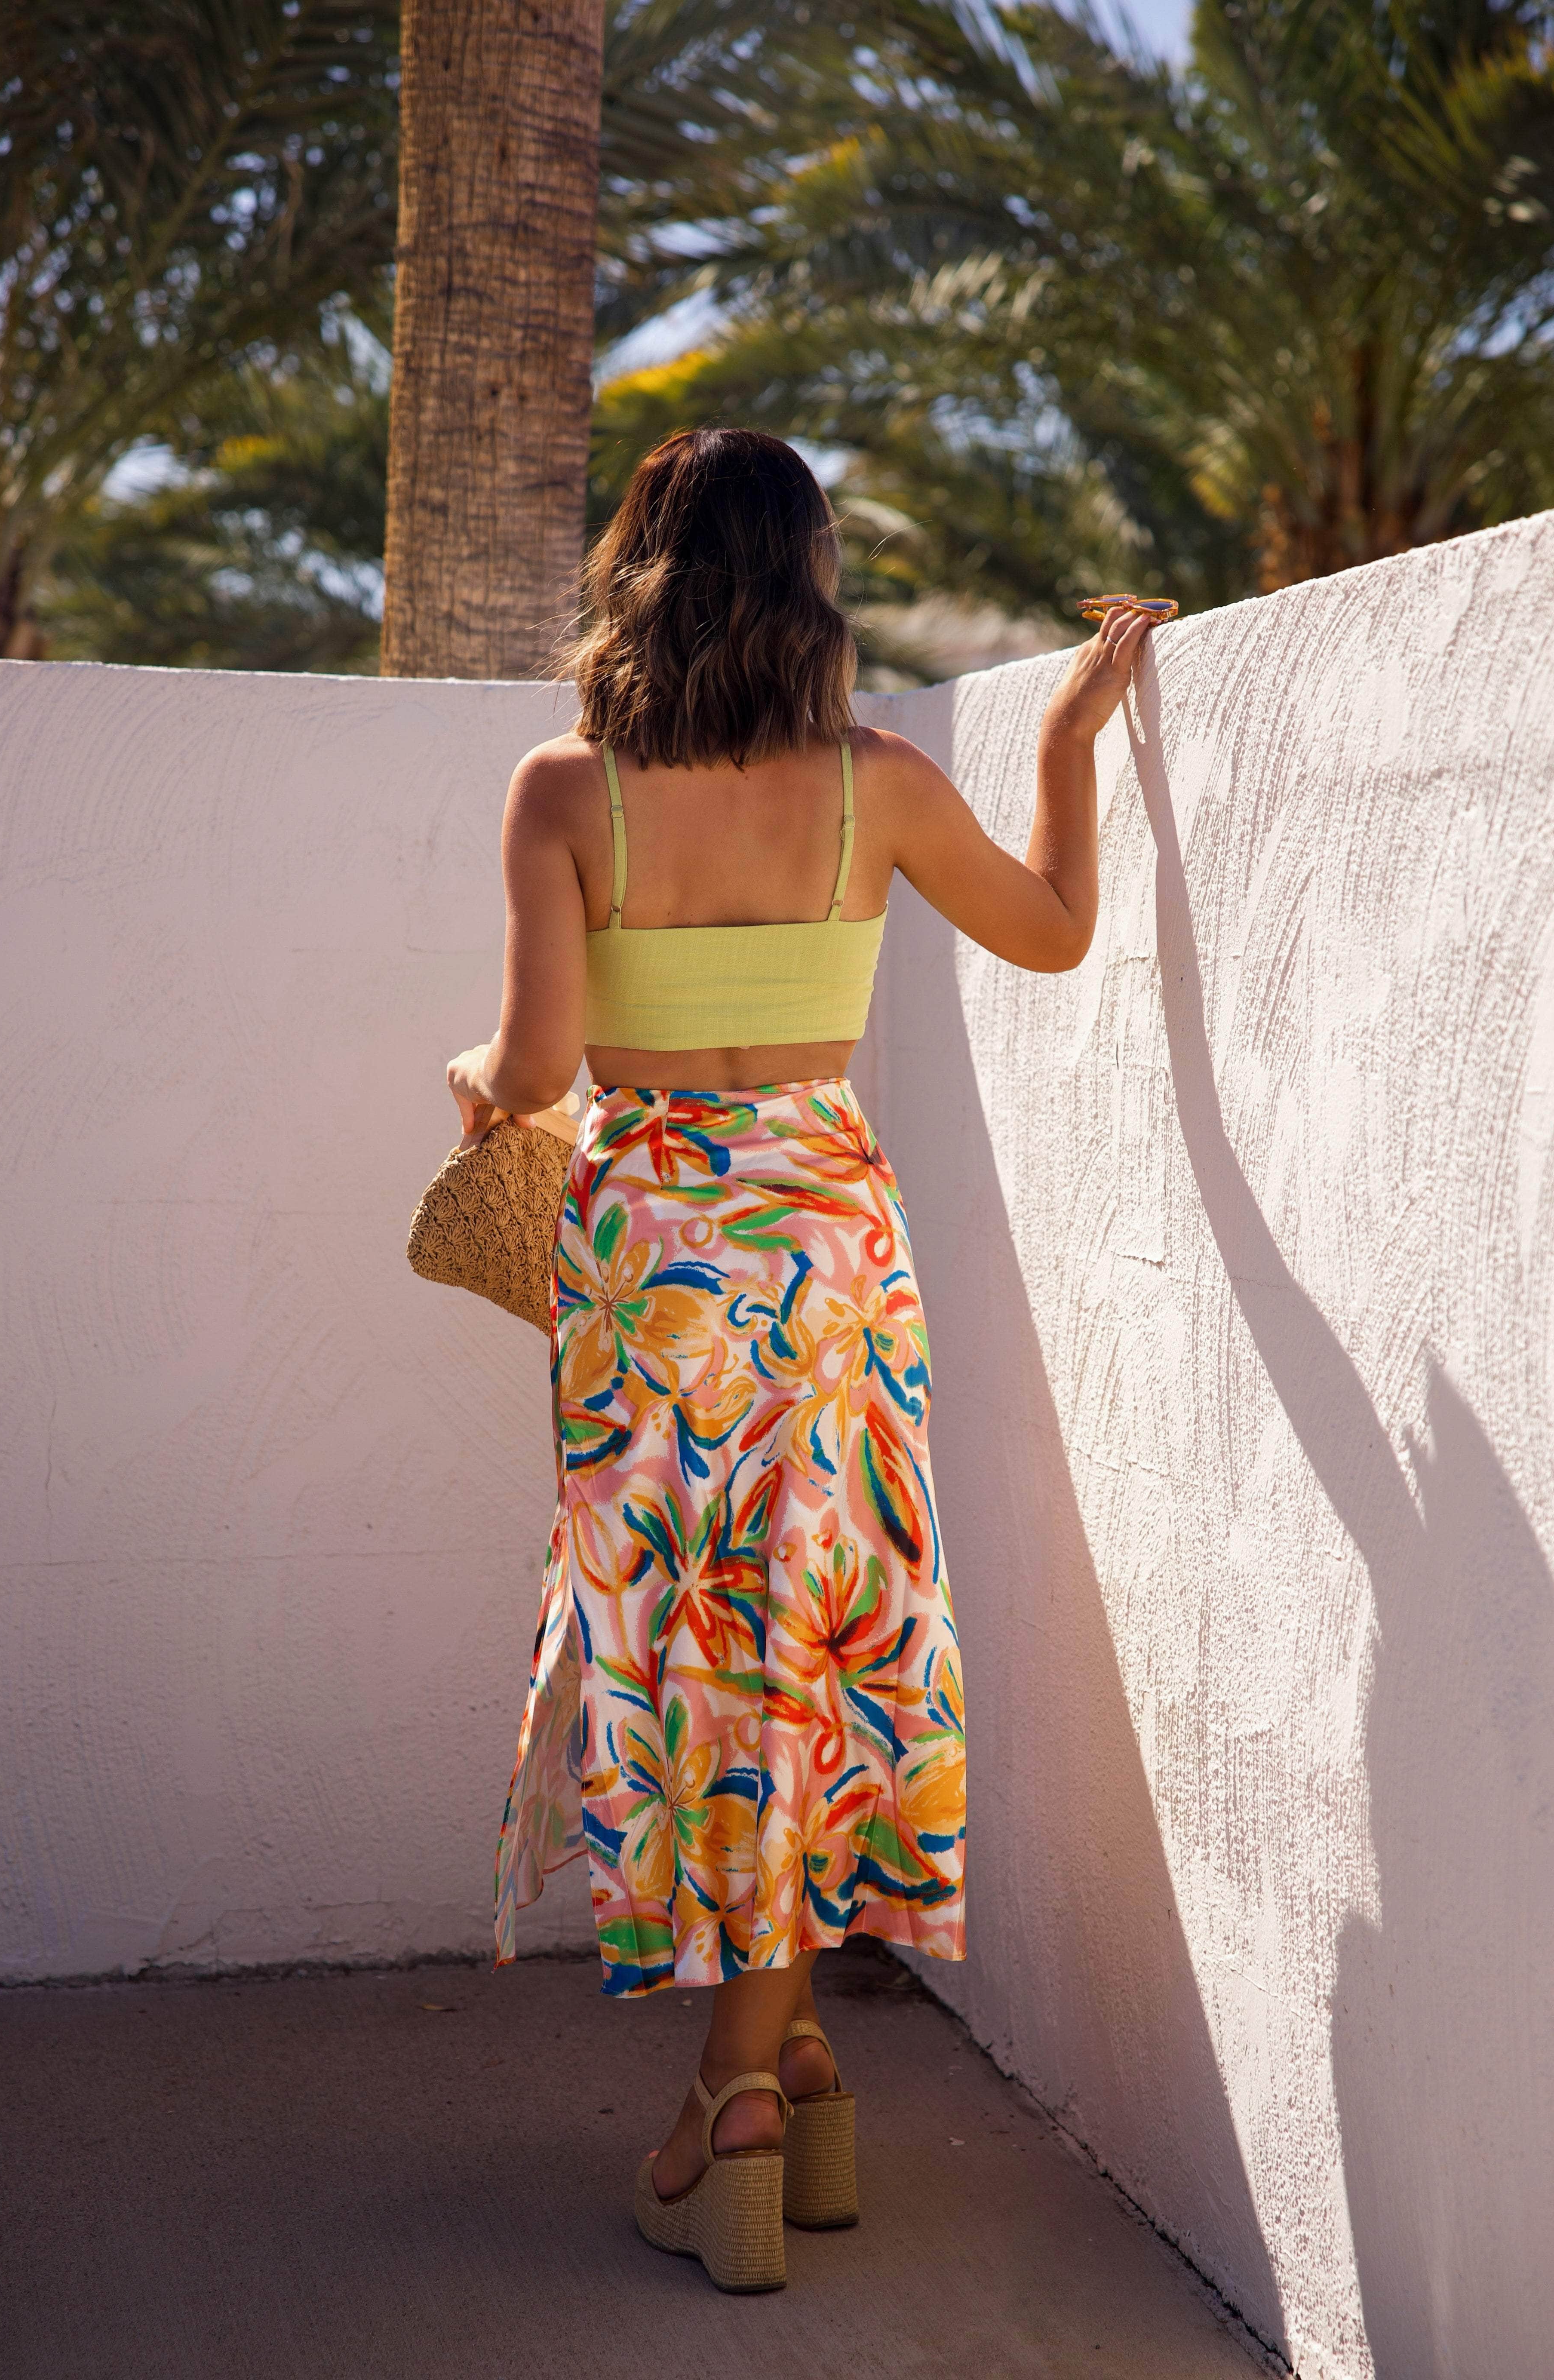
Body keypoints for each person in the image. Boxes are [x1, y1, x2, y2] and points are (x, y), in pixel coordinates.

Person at [445, 427, 1150, 2292]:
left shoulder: (563, 790)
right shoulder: (880, 784)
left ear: (642, 581)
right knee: (817, 1632)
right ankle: (804, 2058)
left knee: (705, 1648)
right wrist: (1069, 740)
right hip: (830, 1249)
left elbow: (535, 1069)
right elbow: (1058, 931)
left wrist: (473, 1078)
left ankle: (734, 2103)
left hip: (651, 1268)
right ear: (809, 585)